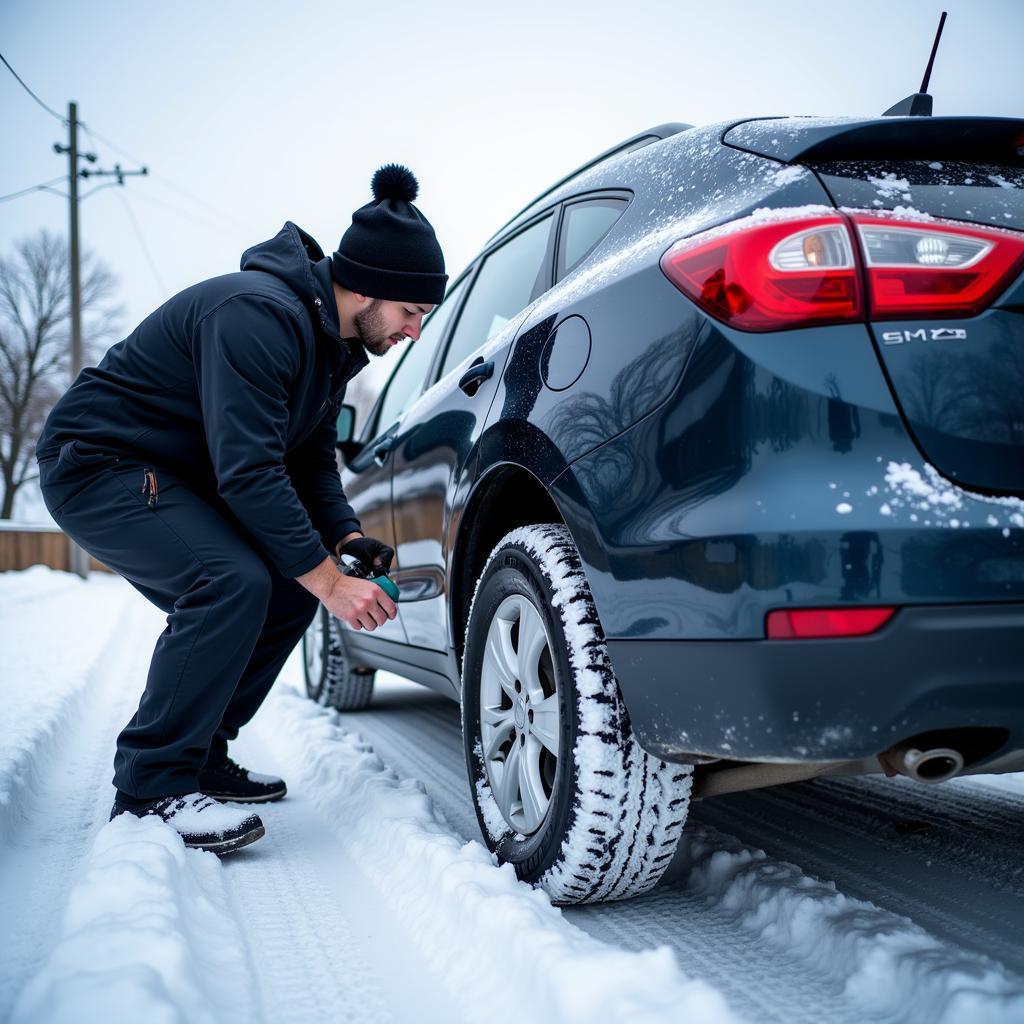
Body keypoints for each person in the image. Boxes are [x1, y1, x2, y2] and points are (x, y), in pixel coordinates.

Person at [35, 164, 445, 854]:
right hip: (100, 462)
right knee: (226, 580)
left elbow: (308, 460)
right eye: (411, 313)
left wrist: (342, 540)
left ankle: (199, 754)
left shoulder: (328, 347)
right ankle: (150, 789)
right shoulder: (258, 316)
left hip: (173, 474)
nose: (412, 331)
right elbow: (249, 470)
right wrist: (330, 582)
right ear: (372, 288)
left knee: (288, 586)